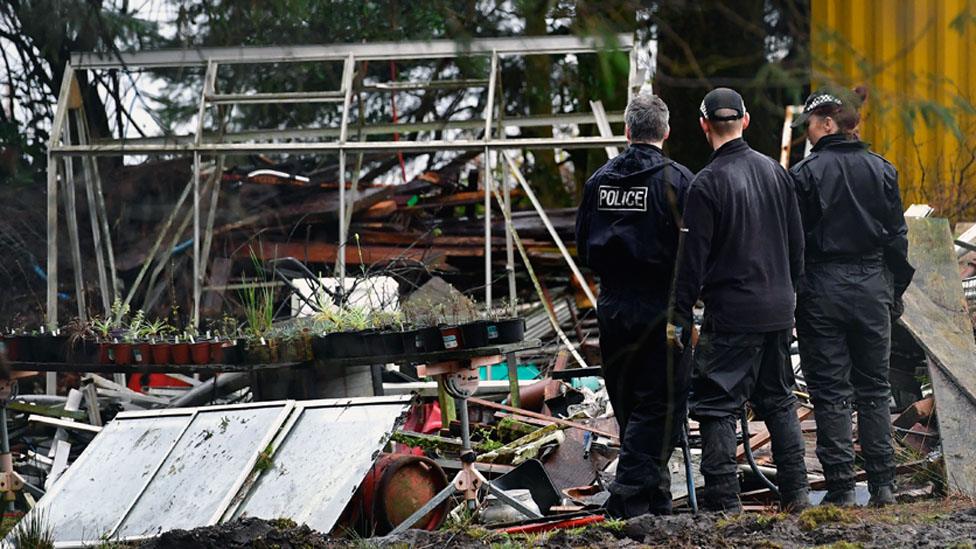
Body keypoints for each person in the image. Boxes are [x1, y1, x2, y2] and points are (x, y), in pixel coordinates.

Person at [673, 87, 809, 513]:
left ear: (703, 126)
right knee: (779, 399)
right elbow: (796, 247)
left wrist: (678, 315)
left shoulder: (706, 184)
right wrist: (790, 298)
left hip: (732, 314)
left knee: (717, 405)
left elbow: (691, 261)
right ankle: (799, 497)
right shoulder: (776, 172)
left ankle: (725, 506)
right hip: (776, 309)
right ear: (746, 121)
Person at [789, 86, 914, 507]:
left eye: (809, 122)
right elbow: (898, 238)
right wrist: (893, 290)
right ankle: (883, 486)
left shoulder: (804, 175)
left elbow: (794, 243)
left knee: (830, 391)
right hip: (871, 284)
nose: (806, 130)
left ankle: (841, 487)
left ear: (827, 124)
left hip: (822, 288)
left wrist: (798, 289)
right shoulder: (882, 170)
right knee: (875, 388)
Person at [575, 92, 695, 518]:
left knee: (627, 398)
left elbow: (584, 248)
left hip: (612, 304)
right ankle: (627, 495)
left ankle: (654, 496)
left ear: (627, 131)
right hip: (660, 303)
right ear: (665, 131)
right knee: (661, 402)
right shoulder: (678, 180)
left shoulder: (599, 181)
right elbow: (692, 249)